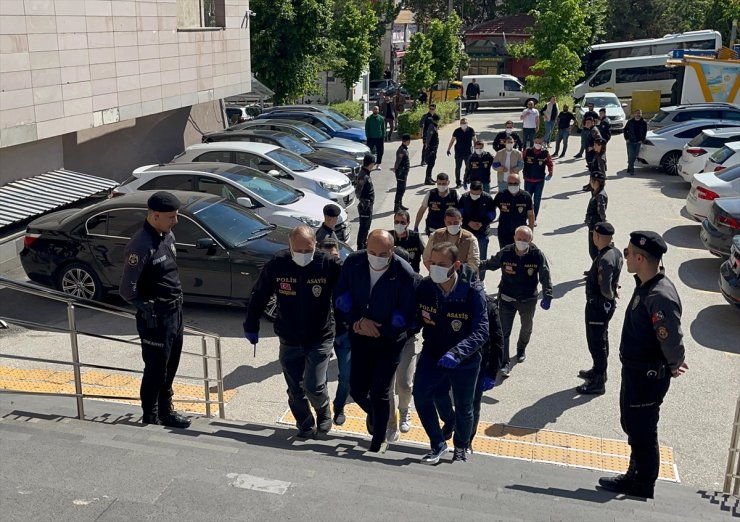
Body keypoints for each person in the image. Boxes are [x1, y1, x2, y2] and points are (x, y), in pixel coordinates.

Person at [598, 231, 687, 499]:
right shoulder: (645, 284)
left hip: (647, 376)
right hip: (636, 372)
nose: (625, 258)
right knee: (632, 424)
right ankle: (633, 474)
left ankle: (643, 484)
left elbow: (670, 337)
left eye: (627, 253)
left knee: (643, 430)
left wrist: (674, 362)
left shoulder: (659, 295)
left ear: (640, 257)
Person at [243, 225, 342, 438]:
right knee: (295, 389)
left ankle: (323, 410)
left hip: (320, 335)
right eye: (299, 251)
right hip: (289, 336)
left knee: (313, 385)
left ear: (316, 245)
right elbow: (259, 294)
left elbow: (346, 291)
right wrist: (251, 325)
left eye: (308, 250)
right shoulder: (278, 264)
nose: (304, 255)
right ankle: (304, 423)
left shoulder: (327, 264)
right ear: (289, 246)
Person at [334, 230, 418, 453]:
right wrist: (358, 321)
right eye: (372, 252)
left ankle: (378, 439)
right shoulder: (353, 263)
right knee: (357, 388)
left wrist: (381, 330)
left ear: (392, 251)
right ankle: (376, 414)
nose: (376, 257)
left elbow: (407, 314)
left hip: (389, 341)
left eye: (382, 253)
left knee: (381, 390)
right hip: (360, 333)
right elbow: (341, 297)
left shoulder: (404, 273)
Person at [413, 242, 489, 464]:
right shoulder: (426, 288)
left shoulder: (473, 292)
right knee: (422, 395)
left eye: (441, 264)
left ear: (455, 265)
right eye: (432, 263)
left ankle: (461, 446)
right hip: (433, 354)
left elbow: (482, 330)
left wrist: (457, 353)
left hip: (464, 361)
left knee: (465, 406)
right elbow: (417, 317)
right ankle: (437, 443)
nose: (435, 268)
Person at [120, 192, 190, 429]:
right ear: (155, 215)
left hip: (175, 313)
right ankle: (151, 414)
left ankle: (165, 409)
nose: (176, 221)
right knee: (156, 369)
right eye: (172, 217)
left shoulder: (166, 235)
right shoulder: (140, 246)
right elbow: (126, 290)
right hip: (156, 317)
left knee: (171, 366)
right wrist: (145, 306)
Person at [479, 225, 553, 377]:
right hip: (506, 298)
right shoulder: (506, 252)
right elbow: (491, 264)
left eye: (525, 239)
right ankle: (504, 362)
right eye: (519, 239)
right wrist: (473, 265)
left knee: (526, 327)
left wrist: (547, 294)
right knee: (503, 331)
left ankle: (521, 348)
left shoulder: (537, 254)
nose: (522, 242)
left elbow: (545, 274)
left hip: (528, 299)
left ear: (531, 240)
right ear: (514, 238)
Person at [386, 214, 425, 440]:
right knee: (387, 385)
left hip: (407, 339)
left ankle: (404, 411)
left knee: (405, 383)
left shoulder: (417, 284)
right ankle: (391, 423)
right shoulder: (382, 282)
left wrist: (413, 326)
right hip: (385, 341)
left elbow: (423, 313)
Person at [577, 222, 623, 395]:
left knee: (596, 343)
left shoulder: (604, 258)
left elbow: (605, 287)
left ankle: (598, 382)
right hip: (602, 306)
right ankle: (598, 371)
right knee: (601, 339)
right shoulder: (615, 252)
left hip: (598, 306)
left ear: (597, 236)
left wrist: (610, 296)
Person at [469, 294, 504, 449]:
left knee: (473, 404)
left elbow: (498, 340)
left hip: (480, 364)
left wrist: (492, 373)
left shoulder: (488, 305)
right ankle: (450, 427)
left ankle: (466, 442)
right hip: (455, 362)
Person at [423, 207, 480, 272]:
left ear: (461, 221)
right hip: (438, 276)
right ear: (445, 221)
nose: (452, 225)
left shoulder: (470, 239)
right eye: (449, 222)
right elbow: (426, 257)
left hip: (461, 277)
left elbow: (474, 261)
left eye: (456, 222)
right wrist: (435, 273)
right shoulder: (435, 235)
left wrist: (463, 275)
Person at [459, 181, 496, 280]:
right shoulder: (464, 198)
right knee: (465, 257)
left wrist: (482, 223)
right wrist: (468, 222)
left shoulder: (487, 198)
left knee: (481, 259)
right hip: (467, 232)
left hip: (482, 232)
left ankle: (481, 280)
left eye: (477, 194)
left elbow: (492, 213)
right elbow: (460, 212)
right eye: (472, 193)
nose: (474, 195)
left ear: (481, 190)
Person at [492, 173, 535, 249]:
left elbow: (531, 215)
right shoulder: (501, 195)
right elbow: (491, 209)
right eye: (510, 183)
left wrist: (530, 232)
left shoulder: (526, 196)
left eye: (515, 183)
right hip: (504, 232)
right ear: (507, 183)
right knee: (505, 255)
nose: (513, 185)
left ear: (520, 183)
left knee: (521, 256)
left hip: (521, 234)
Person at [522, 137, 554, 219]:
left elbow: (550, 164)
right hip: (528, 180)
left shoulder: (545, 153)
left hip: (539, 181)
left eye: (540, 143)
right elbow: (520, 160)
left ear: (543, 143)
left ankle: (534, 218)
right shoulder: (527, 151)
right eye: (536, 142)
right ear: (533, 141)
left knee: (537, 200)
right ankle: (525, 217)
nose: (538, 144)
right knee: (527, 200)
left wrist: (550, 173)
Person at [390, 209, 425, 274]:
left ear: (408, 223)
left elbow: (427, 256)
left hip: (412, 275)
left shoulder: (416, 237)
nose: (399, 224)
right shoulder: (388, 237)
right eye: (396, 222)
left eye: (402, 222)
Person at [447, 118, 477, 188]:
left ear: (467, 123)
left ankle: (466, 178)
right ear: (460, 124)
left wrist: (476, 149)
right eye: (462, 123)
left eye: (465, 123)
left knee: (469, 167)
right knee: (458, 168)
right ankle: (458, 182)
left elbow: (475, 140)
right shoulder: (457, 131)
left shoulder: (471, 130)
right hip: (458, 152)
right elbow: (452, 140)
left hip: (468, 152)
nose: (464, 124)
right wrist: (448, 149)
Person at [585, 171, 608, 261]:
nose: (592, 183)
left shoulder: (600, 195)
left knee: (594, 250)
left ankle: (597, 271)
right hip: (593, 223)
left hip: (595, 225)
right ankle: (594, 269)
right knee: (593, 250)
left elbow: (601, 212)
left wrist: (603, 225)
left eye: (594, 181)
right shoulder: (596, 193)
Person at [355, 154, 376, 250]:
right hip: (365, 206)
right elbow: (358, 192)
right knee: (363, 227)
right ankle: (361, 246)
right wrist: (364, 202)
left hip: (368, 205)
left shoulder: (366, 174)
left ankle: (363, 243)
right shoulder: (363, 176)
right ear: (371, 164)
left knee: (366, 226)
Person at [391, 133, 411, 211]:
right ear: (407, 141)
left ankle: (400, 204)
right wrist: (395, 169)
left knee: (402, 189)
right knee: (400, 189)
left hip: (404, 172)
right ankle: (396, 206)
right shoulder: (402, 150)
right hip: (401, 172)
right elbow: (398, 161)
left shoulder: (404, 148)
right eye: (409, 140)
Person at [624, 109, 648, 175]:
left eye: (639, 113)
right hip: (630, 142)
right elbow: (625, 130)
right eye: (637, 113)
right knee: (631, 155)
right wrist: (627, 138)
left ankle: (629, 166)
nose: (638, 114)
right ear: (634, 114)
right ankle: (632, 170)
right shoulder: (630, 122)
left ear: (641, 114)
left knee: (635, 156)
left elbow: (644, 132)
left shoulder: (644, 122)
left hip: (638, 142)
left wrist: (642, 140)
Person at [423, 114, 441, 184]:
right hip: (431, 148)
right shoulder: (432, 126)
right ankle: (427, 179)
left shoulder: (434, 126)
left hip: (434, 147)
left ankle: (429, 177)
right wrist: (427, 146)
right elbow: (428, 137)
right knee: (430, 163)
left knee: (432, 163)